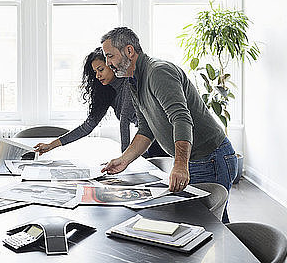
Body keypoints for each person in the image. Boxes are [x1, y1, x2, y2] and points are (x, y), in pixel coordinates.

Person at [100, 27, 238, 223]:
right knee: (196, 226)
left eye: (110, 56)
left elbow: (181, 119)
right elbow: (146, 130)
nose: (108, 64)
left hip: (210, 158)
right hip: (194, 159)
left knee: (213, 227)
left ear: (129, 51)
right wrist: (125, 160)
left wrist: (180, 165)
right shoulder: (134, 81)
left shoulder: (158, 72)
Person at [34, 47, 168, 157]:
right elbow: (87, 126)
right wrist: (51, 145)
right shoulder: (107, 92)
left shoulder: (129, 82)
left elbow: (124, 120)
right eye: (95, 72)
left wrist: (124, 159)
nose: (97, 75)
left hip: (162, 134)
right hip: (148, 137)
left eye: (101, 69)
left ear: (111, 65)